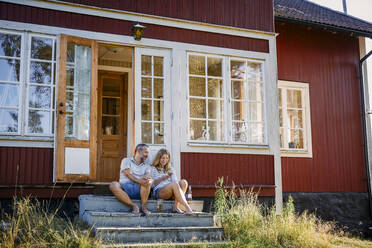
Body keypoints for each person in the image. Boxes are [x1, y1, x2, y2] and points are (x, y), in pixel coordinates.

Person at [109, 143, 153, 214]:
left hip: (140, 189)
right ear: (138, 151)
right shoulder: (126, 160)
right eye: (146, 152)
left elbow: (148, 176)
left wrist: (147, 180)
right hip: (125, 189)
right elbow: (128, 174)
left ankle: (143, 206)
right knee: (113, 185)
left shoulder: (147, 166)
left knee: (149, 181)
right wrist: (140, 180)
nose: (147, 155)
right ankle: (133, 205)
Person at [151, 148, 194, 215]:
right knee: (174, 184)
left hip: (172, 190)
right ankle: (187, 207)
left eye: (167, 158)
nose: (165, 160)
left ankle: (176, 206)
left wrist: (170, 179)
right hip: (159, 191)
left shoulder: (171, 169)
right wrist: (164, 177)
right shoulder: (153, 168)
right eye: (163, 158)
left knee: (183, 182)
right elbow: (153, 184)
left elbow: (175, 182)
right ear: (158, 158)